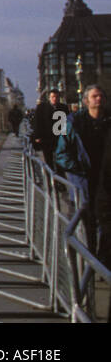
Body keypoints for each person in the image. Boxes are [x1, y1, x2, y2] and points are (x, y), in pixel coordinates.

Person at [55, 84, 110, 249]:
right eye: (95, 96)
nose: (98, 99)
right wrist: (78, 168)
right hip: (83, 180)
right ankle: (88, 265)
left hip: (105, 180)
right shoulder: (73, 123)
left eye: (101, 96)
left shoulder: (108, 120)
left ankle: (102, 263)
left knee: (105, 223)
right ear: (86, 101)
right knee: (86, 224)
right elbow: (61, 154)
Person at [32, 89, 62, 169]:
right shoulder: (42, 107)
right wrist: (37, 136)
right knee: (48, 159)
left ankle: (58, 177)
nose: (54, 99)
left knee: (59, 159)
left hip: (57, 138)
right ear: (49, 98)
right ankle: (50, 176)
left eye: (56, 97)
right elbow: (37, 122)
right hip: (45, 138)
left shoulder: (62, 108)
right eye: (53, 97)